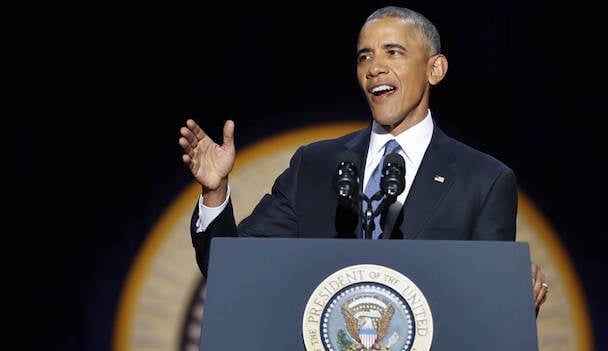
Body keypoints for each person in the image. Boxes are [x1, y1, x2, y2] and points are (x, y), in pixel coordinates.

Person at [178, 6, 548, 312]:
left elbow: (487, 311)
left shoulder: (484, 181)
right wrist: (215, 192)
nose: (375, 68)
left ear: (435, 69)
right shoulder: (315, 165)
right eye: (364, 56)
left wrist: (513, 299)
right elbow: (232, 271)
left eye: (393, 52)